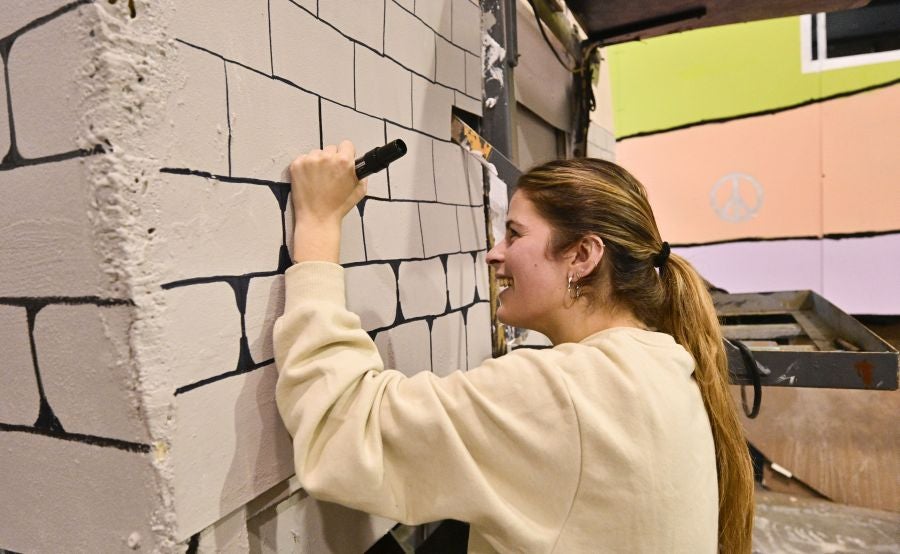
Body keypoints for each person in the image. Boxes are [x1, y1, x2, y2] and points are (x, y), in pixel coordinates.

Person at [274, 140, 754, 553]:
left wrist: (317, 225)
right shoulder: (661, 362)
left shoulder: (565, 391)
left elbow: (346, 429)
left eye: (515, 234)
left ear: (582, 256)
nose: (494, 253)